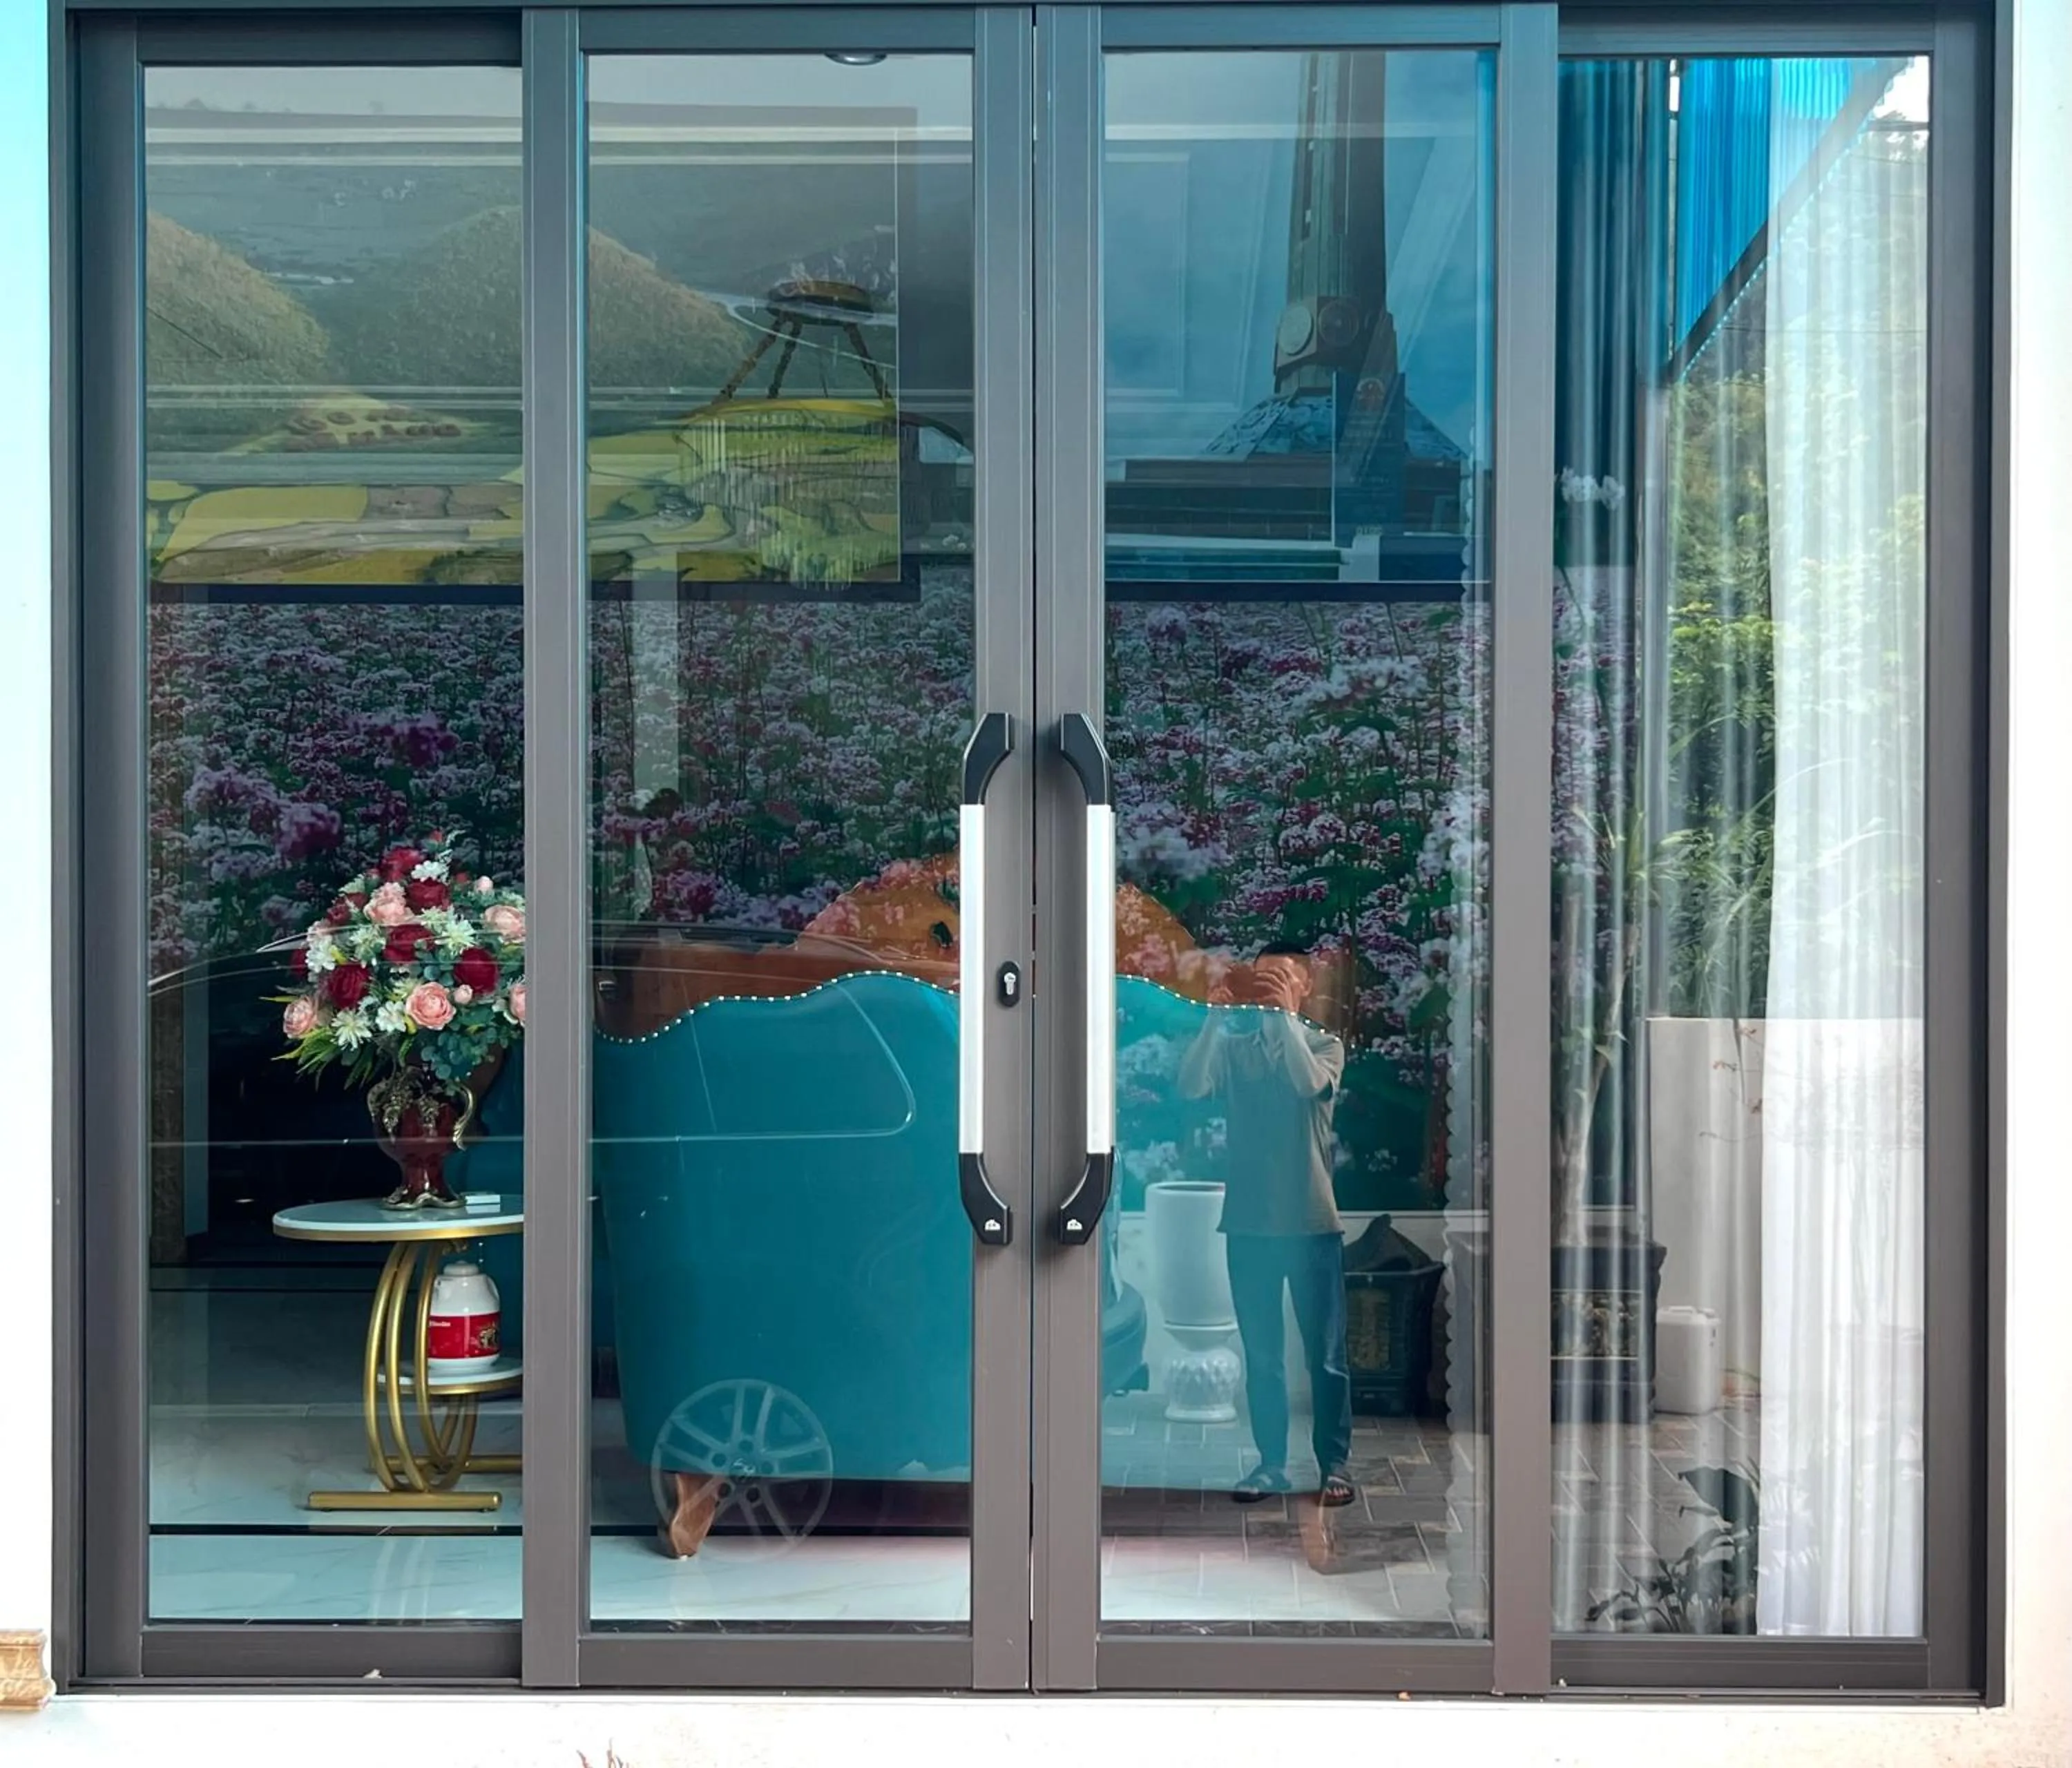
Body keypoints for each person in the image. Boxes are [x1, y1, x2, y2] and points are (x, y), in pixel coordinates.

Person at [1178, 938, 1356, 1508]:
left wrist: (1282, 1020)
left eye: (1281, 980)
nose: (1270, 990)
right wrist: (1212, 1017)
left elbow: (1306, 1085)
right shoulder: (1236, 1051)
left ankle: (1335, 1466)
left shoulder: (1325, 1044)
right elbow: (1189, 1086)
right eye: (1263, 981)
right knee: (1262, 1356)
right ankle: (1272, 1465)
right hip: (1249, 1226)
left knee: (1325, 1357)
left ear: (1305, 987)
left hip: (1312, 1227)